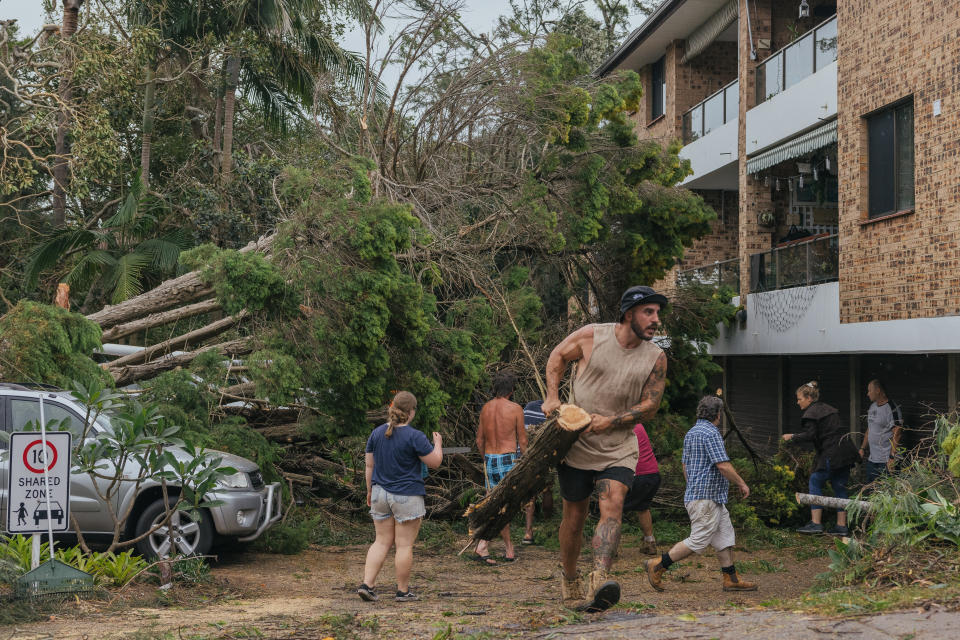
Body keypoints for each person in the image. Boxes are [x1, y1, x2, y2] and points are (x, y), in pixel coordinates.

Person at [542, 285, 668, 612]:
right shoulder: (591, 337)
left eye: (658, 313)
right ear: (629, 314)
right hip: (576, 442)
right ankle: (570, 578)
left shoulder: (656, 357)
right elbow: (557, 357)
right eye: (648, 312)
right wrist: (552, 397)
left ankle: (599, 578)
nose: (656, 320)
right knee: (574, 516)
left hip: (619, 446)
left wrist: (611, 421)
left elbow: (651, 405)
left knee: (613, 503)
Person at [645, 396, 757, 593]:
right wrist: (741, 482)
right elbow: (722, 465)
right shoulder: (711, 433)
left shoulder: (692, 432)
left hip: (706, 497)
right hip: (705, 498)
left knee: (724, 535)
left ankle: (730, 578)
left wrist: (694, 487)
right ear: (717, 414)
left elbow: (685, 465)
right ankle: (658, 565)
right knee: (698, 540)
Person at [358, 391, 443, 602]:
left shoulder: (376, 433)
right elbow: (434, 462)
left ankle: (367, 585)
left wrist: (369, 490)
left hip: (379, 493)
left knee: (380, 541)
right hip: (407, 494)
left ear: (392, 407)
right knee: (403, 545)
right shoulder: (415, 436)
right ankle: (403, 591)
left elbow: (370, 465)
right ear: (411, 412)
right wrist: (438, 444)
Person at [782, 381, 859, 536]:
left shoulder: (812, 413)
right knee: (839, 486)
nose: (798, 403)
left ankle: (816, 524)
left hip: (833, 452)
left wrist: (792, 437)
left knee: (815, 481)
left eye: (799, 399)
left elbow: (810, 435)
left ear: (809, 398)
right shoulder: (828, 409)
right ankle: (841, 526)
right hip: (846, 452)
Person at [475, 370, 527, 565]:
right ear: (512, 389)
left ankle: (507, 549)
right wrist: (525, 462)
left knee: (494, 504)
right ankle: (487, 544)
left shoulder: (486, 408)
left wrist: (486, 458)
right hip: (508, 459)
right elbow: (522, 440)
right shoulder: (515, 409)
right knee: (505, 507)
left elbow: (479, 440)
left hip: (490, 459)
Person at [622, 423, 660, 555]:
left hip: (638, 475)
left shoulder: (624, 426)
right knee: (643, 507)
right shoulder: (638, 424)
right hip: (653, 475)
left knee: (613, 509)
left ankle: (609, 547)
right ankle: (649, 542)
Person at [521, 399, 554, 545]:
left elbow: (522, 435)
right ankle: (548, 526)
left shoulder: (527, 408)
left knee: (530, 495)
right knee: (547, 490)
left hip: (528, 456)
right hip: (546, 457)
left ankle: (528, 532)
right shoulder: (555, 410)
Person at [860, 379, 903, 484]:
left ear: (878, 390)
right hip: (872, 460)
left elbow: (898, 432)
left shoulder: (892, 408)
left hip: (886, 461)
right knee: (870, 491)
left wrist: (892, 458)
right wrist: (862, 448)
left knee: (888, 493)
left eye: (870, 390)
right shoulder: (872, 407)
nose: (868, 393)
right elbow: (870, 429)